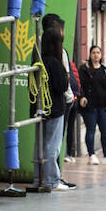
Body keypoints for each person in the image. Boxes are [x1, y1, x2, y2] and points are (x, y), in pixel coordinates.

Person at [37, 26, 71, 191]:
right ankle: (52, 180)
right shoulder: (55, 62)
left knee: (40, 145)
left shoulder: (39, 59)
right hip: (55, 108)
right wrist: (66, 77)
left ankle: (39, 178)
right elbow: (62, 86)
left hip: (39, 108)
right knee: (52, 146)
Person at [78, 44, 106, 164]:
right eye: (93, 52)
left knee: (105, 131)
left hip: (103, 106)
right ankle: (91, 155)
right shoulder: (84, 69)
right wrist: (82, 96)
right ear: (90, 54)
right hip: (90, 106)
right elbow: (80, 84)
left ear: (101, 54)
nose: (96, 55)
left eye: (98, 52)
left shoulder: (105, 69)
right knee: (91, 130)